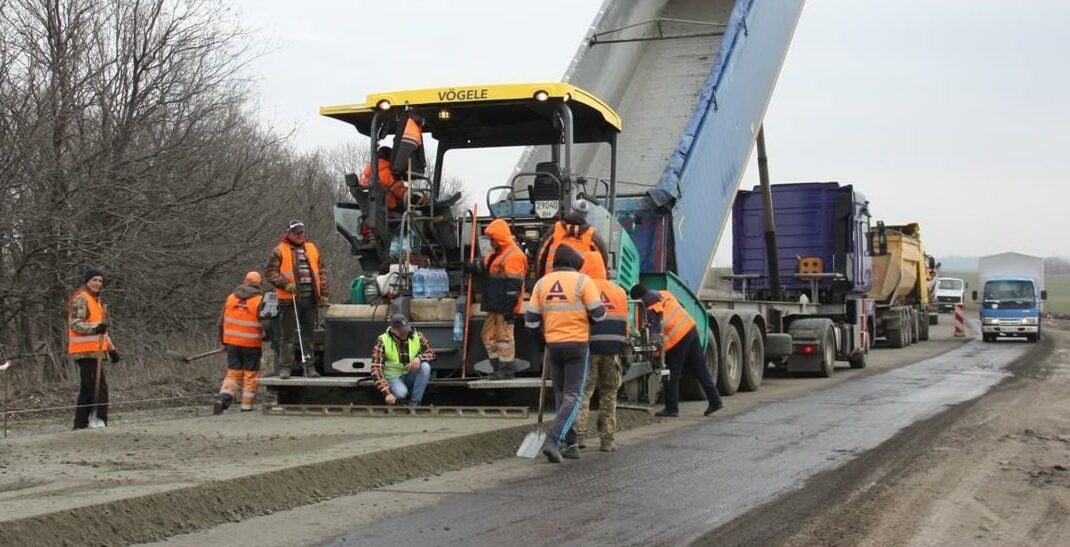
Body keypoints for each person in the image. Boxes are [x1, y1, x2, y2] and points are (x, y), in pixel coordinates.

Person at [525, 245, 606, 463]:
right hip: (578, 345)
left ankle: (571, 444)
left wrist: (542, 342)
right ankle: (553, 440)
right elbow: (599, 315)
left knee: (562, 395)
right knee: (574, 395)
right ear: (574, 264)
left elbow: (530, 321)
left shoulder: (542, 283)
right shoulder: (583, 281)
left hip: (554, 346)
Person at [630, 283, 723, 418]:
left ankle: (672, 408)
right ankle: (715, 401)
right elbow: (681, 306)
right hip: (690, 328)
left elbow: (655, 336)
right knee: (700, 369)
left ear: (639, 299)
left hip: (677, 340)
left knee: (671, 375)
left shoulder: (650, 309)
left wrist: (655, 356)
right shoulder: (664, 294)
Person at [464, 218, 529, 379]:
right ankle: (497, 367)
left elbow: (514, 286)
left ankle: (506, 370)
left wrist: (509, 310)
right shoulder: (497, 255)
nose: (491, 242)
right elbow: (484, 265)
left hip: (505, 307)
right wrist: (468, 266)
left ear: (499, 238)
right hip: (495, 305)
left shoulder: (514, 255)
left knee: (504, 338)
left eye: (492, 239)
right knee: (488, 335)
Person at [266, 219, 328, 379]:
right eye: (296, 232)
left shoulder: (312, 248)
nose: (300, 235)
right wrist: (285, 284)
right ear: (289, 233)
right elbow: (271, 273)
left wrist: (324, 294)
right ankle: (285, 368)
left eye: (302, 232)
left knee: (308, 336)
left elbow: (321, 272)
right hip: (289, 299)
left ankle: (309, 367)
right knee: (287, 336)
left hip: (310, 299)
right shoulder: (279, 250)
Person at [575, 265, 628, 452]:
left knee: (584, 393)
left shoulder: (582, 288)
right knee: (609, 394)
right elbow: (625, 326)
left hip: (589, 349)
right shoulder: (619, 291)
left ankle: (579, 436)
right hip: (612, 350)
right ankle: (607, 440)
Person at [68, 267, 120, 429]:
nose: (98, 283)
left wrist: (111, 348)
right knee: (97, 388)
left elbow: (102, 330)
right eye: (94, 280)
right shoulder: (81, 298)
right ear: (87, 282)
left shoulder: (97, 302)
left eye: (100, 281)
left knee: (88, 389)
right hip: (85, 352)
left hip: (97, 351)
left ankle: (81, 424)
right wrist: (95, 328)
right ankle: (99, 420)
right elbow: (75, 324)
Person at [214, 272, 268, 414]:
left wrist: (224, 342)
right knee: (250, 375)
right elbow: (265, 324)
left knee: (233, 373)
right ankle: (246, 407)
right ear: (259, 284)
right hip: (252, 344)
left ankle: (223, 400)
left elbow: (220, 323)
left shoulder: (230, 298)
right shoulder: (259, 300)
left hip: (232, 343)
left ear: (244, 281)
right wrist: (266, 337)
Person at [370, 314, 435, 406]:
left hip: (410, 373)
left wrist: (419, 358)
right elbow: (375, 369)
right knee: (401, 393)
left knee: (425, 367)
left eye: (406, 329)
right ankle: (398, 399)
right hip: (393, 377)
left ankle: (414, 403)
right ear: (393, 330)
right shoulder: (383, 340)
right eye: (401, 331)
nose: (405, 333)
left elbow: (431, 353)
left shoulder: (417, 335)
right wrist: (387, 393)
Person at [535, 200, 608, 279]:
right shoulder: (592, 236)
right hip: (580, 285)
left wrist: (540, 280)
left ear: (571, 211)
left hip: (552, 283)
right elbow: (602, 264)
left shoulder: (555, 229)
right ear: (585, 215)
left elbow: (540, 257)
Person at [360, 146, 429, 211]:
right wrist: (419, 199)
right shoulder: (387, 173)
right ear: (390, 158)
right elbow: (402, 193)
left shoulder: (366, 175)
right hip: (388, 208)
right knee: (419, 213)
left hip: (373, 210)